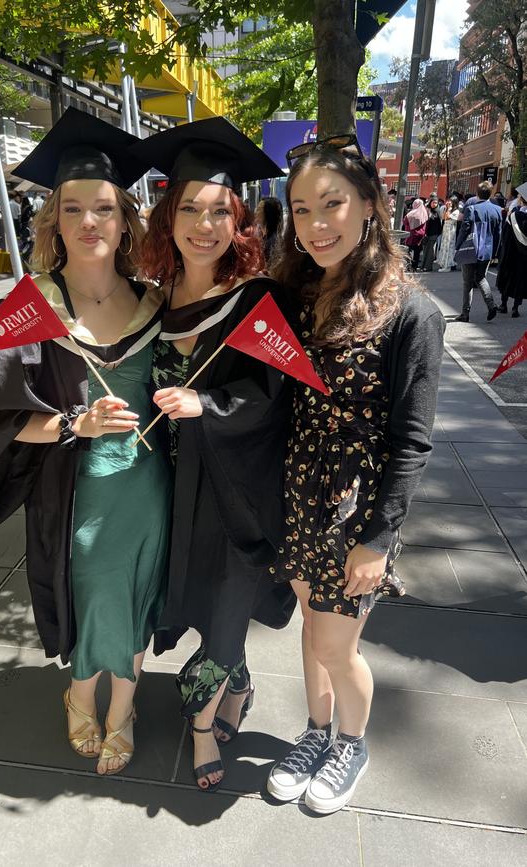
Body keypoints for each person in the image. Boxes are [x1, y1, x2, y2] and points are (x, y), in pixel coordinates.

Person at [0, 108, 171, 776]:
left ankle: (125, 706)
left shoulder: (159, 303)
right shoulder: (34, 306)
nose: (89, 222)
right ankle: (80, 692)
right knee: (92, 591)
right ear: (54, 223)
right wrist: (73, 424)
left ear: (124, 220)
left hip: (151, 488)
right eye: (72, 209)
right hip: (80, 492)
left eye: (103, 208)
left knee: (141, 594)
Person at [265, 133, 444, 814]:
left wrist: (379, 538)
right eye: (302, 208)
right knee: (310, 630)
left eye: (332, 203)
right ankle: (315, 732)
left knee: (337, 646)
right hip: (299, 496)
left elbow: (413, 441)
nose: (316, 224)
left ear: (369, 203)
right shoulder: (296, 295)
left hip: (357, 513)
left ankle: (351, 742)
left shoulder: (413, 311)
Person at [136, 118, 295, 792]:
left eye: (220, 212)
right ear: (169, 218)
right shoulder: (154, 298)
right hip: (168, 479)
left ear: (240, 223)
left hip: (232, 485)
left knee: (226, 601)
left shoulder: (255, 301)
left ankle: (203, 725)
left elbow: (274, 397)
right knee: (192, 596)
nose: (205, 225)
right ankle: (239, 681)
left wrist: (210, 407)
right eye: (191, 210)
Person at [454, 180, 502, 323]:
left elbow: (464, 228)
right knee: (481, 278)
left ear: (477, 194)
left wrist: (457, 245)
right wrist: (495, 251)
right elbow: (498, 233)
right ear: (490, 194)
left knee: (467, 282)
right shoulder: (497, 210)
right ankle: (491, 304)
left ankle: (465, 312)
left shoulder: (472, 208)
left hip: (471, 248)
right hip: (487, 249)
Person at [497, 181, 527, 317]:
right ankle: (515, 308)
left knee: (507, 277)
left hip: (510, 253)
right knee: (520, 279)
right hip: (523, 256)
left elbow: (506, 233)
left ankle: (503, 304)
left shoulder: (513, 214)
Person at [254, 196, 283, 269]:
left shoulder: (274, 241)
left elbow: (270, 269)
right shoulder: (262, 235)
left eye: (259, 209)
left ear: (268, 213)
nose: (255, 212)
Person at [402, 198, 428, 271]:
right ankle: (414, 267)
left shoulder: (410, 214)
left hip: (410, 235)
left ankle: (408, 266)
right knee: (417, 252)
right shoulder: (424, 213)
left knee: (408, 251)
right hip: (420, 236)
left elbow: (405, 222)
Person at [419, 196, 443, 272]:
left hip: (434, 233)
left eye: (436, 203)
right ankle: (423, 265)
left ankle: (428, 267)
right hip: (426, 233)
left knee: (430, 251)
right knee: (425, 250)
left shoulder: (438, 211)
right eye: (433, 202)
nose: (434, 204)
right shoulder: (427, 210)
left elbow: (439, 224)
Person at [436, 197, 459, 271]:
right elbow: (443, 217)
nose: (448, 202)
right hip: (446, 230)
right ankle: (443, 264)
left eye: (450, 201)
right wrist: (447, 209)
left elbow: (447, 217)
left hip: (450, 231)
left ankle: (447, 266)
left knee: (449, 247)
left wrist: (448, 209)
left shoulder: (456, 211)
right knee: (444, 247)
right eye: (448, 201)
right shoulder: (447, 209)